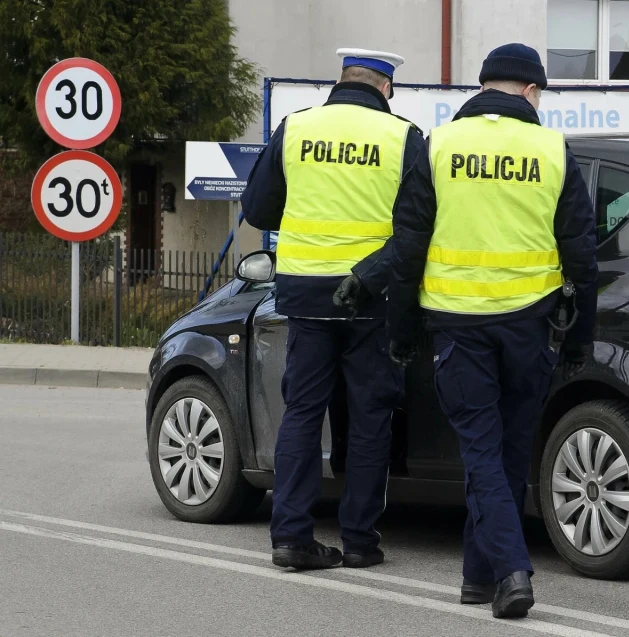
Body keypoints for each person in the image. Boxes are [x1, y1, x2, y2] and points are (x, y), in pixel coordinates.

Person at [386, 43, 598, 618]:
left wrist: (401, 329)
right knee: (508, 453)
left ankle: (495, 573)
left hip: (457, 326)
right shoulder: (551, 149)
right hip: (529, 325)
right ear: (530, 91)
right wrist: (581, 335)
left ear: (483, 87)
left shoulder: (440, 144)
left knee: (482, 452)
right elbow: (581, 254)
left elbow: (408, 247)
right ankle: (492, 573)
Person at [241, 48, 425, 571]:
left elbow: (257, 208)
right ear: (386, 88)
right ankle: (361, 540)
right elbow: (417, 227)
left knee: (302, 412)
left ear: (341, 80)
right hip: (370, 297)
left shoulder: (296, 128)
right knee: (371, 417)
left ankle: (291, 537)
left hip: (305, 295)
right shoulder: (402, 137)